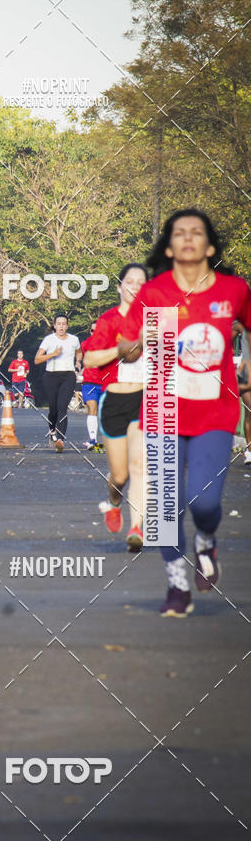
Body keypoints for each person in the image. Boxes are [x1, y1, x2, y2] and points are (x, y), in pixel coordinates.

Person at [118, 208, 251, 617]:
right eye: (179, 233)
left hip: (215, 411)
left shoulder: (233, 290)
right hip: (162, 408)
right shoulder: (155, 293)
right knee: (162, 506)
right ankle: (177, 585)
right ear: (170, 245)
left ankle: (206, 539)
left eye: (197, 233)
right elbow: (126, 349)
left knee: (204, 502)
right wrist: (139, 341)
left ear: (209, 245)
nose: (188, 239)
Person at [84, 265, 148, 551]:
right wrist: (120, 350)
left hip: (144, 400)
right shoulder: (108, 320)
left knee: (140, 465)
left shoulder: (155, 320)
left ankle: (136, 528)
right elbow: (89, 360)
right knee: (119, 475)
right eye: (130, 281)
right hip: (114, 401)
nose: (135, 286)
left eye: (141, 282)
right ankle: (114, 501)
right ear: (120, 287)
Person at [34, 313, 82, 452]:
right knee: (53, 409)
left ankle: (60, 439)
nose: (61, 326)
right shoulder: (49, 340)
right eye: (58, 324)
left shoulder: (74, 339)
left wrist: (78, 362)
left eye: (63, 324)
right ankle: (52, 430)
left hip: (68, 375)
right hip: (51, 376)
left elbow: (79, 352)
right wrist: (52, 354)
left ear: (67, 326)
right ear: (54, 326)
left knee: (62, 407)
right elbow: (37, 359)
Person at [79, 325, 103, 451]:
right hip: (89, 382)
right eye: (92, 330)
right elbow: (80, 357)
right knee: (92, 408)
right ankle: (93, 440)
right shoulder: (85, 344)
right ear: (89, 331)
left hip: (106, 382)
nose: (95, 332)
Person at [234, 321, 251, 465]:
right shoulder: (242, 324)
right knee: (248, 413)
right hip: (246, 372)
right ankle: (250, 452)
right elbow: (227, 338)